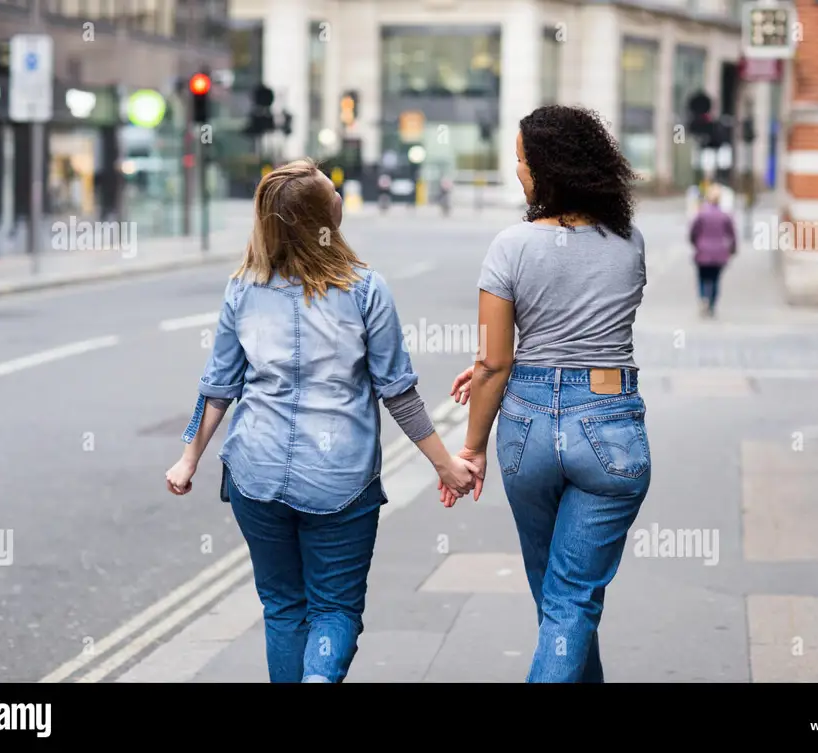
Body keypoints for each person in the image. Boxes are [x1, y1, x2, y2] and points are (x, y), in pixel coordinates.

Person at [164, 158, 479, 683]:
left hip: (254, 472)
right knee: (334, 609)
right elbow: (397, 391)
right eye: (332, 194)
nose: (339, 198)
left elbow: (218, 385)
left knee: (284, 606)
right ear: (323, 218)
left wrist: (188, 458)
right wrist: (445, 465)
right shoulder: (365, 289)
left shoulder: (244, 287)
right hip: (341, 478)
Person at [443, 105, 651, 682]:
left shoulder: (510, 246)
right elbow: (579, 324)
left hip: (528, 430)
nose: (517, 172)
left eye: (521, 160)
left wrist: (473, 448)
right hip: (609, 424)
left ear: (547, 169)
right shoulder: (629, 242)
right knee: (571, 601)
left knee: (559, 600)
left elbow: (495, 361)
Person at [689, 182, 736, 317]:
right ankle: (712, 304)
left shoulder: (701, 214)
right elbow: (732, 234)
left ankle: (704, 297)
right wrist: (732, 249)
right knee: (715, 279)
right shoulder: (725, 215)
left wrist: (695, 243)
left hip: (703, 251)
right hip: (720, 253)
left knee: (703, 277)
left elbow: (693, 232)